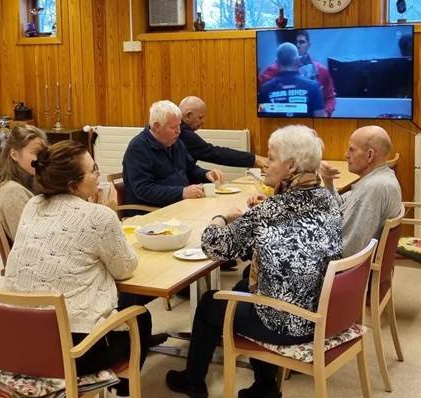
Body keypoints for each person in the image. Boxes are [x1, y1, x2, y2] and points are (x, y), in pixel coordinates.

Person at [166, 125, 342, 398]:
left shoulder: (271, 210)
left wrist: (222, 218)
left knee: (210, 303)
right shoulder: (327, 198)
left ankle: (192, 381)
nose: (266, 165)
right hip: (324, 310)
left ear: (292, 165)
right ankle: (264, 386)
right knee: (243, 283)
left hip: (289, 323)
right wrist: (260, 212)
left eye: (271, 158)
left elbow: (214, 247)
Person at [4, 141, 147, 397]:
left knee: (121, 301)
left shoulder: (33, 205)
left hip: (19, 342)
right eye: (93, 170)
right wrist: (107, 213)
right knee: (140, 317)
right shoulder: (98, 216)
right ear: (73, 185)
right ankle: (122, 389)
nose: (98, 175)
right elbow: (126, 268)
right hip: (71, 351)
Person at [122, 100, 223, 209]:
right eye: (173, 127)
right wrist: (182, 192)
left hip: (178, 204)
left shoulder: (176, 142)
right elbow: (144, 190)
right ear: (156, 127)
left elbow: (191, 169)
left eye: (179, 126)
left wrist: (206, 174)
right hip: (151, 211)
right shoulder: (138, 148)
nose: (178, 131)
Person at [319, 126, 402, 257]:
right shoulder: (380, 178)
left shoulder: (374, 188)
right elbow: (341, 205)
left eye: (352, 150)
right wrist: (328, 182)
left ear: (370, 155)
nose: (346, 155)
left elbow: (348, 249)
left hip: (344, 271)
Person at [0, 125, 48, 241]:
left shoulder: (27, 182)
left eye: (44, 153)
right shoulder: (13, 193)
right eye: (37, 153)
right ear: (14, 155)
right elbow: (29, 244)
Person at [259, 30, 336, 116]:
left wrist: (324, 113)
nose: (298, 46)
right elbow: (262, 103)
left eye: (302, 42)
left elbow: (330, 97)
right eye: (295, 42)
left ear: (308, 45)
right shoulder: (271, 71)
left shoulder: (321, 70)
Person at [178, 96, 268, 168]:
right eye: (200, 117)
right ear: (188, 115)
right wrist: (254, 159)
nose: (202, 122)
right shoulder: (182, 132)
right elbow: (214, 153)